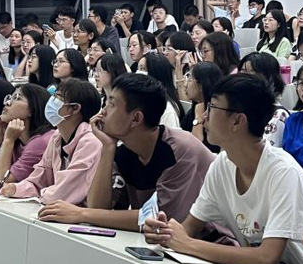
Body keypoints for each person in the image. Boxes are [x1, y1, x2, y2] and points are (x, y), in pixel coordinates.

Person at [144, 74, 303, 264]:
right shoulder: (222, 164)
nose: (205, 116)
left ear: (237, 121)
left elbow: (265, 260)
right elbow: (189, 228)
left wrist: (188, 245)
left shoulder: (282, 171)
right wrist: (165, 234)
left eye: (212, 107)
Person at [37, 73, 215, 230]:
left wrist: (80, 214)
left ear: (136, 118)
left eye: (111, 104)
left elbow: (159, 218)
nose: (103, 111)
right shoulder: (123, 150)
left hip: (212, 242)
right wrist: (108, 148)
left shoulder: (181, 150)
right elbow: (99, 207)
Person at [0, 79, 102, 205]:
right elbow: (37, 181)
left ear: (75, 108)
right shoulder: (56, 138)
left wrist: (41, 193)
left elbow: (63, 193)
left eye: (58, 97)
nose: (51, 101)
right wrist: (13, 188)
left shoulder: (90, 142)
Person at [0, 83, 55, 186]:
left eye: (17, 98)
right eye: (10, 98)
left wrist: (8, 141)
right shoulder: (17, 138)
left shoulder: (41, 141)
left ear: (32, 109)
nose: (7, 103)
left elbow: (1, 182)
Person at [239, 52, 288, 150]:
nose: (245, 78)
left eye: (252, 73)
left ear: (270, 78)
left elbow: (264, 153)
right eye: (243, 72)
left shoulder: (278, 114)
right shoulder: (238, 107)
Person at [181, 61, 224, 152]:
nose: (185, 85)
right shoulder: (192, 112)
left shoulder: (218, 115)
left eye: (190, 79)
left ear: (202, 85)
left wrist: (198, 118)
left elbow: (197, 150)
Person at [138, 52, 184, 128]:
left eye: (142, 69)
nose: (138, 73)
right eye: (138, 69)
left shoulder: (167, 111)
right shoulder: (140, 100)